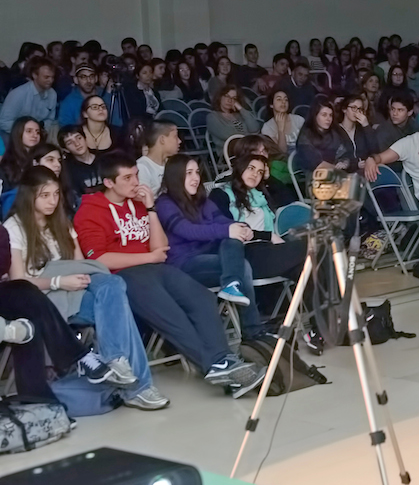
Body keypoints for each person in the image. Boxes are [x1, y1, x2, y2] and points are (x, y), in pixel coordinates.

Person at [74, 151, 265, 397]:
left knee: (202, 298)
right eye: (128, 178)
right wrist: (148, 257)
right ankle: (216, 364)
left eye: (136, 175)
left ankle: (223, 359)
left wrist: (151, 208)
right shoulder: (91, 210)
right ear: (109, 182)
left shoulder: (140, 204)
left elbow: (160, 247)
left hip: (156, 267)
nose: (136, 182)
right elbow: (98, 259)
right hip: (123, 274)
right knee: (171, 313)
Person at [5, 167, 168, 409]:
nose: (52, 201)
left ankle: (117, 364)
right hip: (42, 295)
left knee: (113, 287)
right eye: (44, 195)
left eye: (55, 194)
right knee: (117, 308)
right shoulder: (13, 227)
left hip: (74, 286)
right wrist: (58, 282)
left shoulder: (61, 222)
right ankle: (138, 387)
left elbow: (82, 265)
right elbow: (18, 281)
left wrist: (73, 279)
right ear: (29, 196)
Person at [157, 155, 264, 339]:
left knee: (232, 238)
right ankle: (252, 331)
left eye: (197, 172)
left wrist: (241, 228)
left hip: (208, 253)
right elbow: (188, 231)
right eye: (189, 173)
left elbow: (223, 221)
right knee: (242, 263)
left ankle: (231, 285)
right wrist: (228, 229)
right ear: (176, 176)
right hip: (184, 263)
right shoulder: (164, 203)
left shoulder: (201, 199)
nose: (195, 178)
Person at [209, 154, 306, 284]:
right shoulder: (220, 194)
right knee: (312, 246)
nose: (255, 174)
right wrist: (268, 235)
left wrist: (269, 178)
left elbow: (289, 198)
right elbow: (228, 229)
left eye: (260, 172)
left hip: (268, 249)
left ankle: (324, 303)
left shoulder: (261, 195)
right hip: (244, 252)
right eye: (251, 168)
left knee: (307, 270)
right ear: (240, 168)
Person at [0, 58, 57, 137]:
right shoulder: (18, 94)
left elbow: (50, 119)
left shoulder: (52, 94)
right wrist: (27, 131)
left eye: (52, 77)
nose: (50, 80)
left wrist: (43, 130)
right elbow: (3, 122)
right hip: (14, 136)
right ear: (34, 75)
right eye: (46, 77)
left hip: (38, 135)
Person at [295, 99, 345, 173]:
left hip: (336, 173)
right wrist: (339, 171)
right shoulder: (305, 136)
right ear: (315, 116)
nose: (328, 119)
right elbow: (316, 164)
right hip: (316, 177)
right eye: (324, 115)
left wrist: (345, 163)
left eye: (330, 115)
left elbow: (345, 153)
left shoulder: (334, 133)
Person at [208, 85, 261, 154]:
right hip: (229, 153)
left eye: (234, 98)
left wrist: (241, 109)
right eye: (227, 96)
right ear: (220, 97)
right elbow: (227, 135)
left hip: (248, 148)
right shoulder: (212, 117)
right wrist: (247, 136)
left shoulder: (239, 115)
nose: (230, 100)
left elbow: (255, 129)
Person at [136, 120, 180, 193]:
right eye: (175, 137)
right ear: (162, 140)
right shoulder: (142, 167)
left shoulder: (172, 164)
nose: (179, 141)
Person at [336, 95, 376, 173]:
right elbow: (337, 156)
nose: (357, 112)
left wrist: (366, 125)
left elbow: (375, 151)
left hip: (365, 172)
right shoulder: (336, 131)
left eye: (359, 109)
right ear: (344, 109)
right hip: (343, 173)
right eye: (353, 108)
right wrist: (355, 164)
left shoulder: (363, 129)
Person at [0, 116, 41, 190]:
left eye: (37, 132)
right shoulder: (6, 163)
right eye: (29, 131)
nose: (35, 135)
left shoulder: (42, 157)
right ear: (18, 133)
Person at [261, 89, 304, 154]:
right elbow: (281, 152)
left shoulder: (299, 120)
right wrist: (280, 130)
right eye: (279, 99)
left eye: (286, 100)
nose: (283, 102)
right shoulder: (267, 127)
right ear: (271, 105)